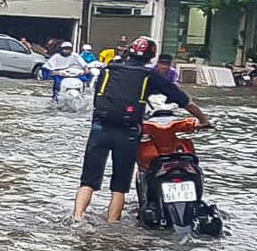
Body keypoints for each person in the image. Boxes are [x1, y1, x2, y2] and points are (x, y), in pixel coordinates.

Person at [72, 36, 212, 223]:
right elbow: (183, 100)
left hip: (100, 128)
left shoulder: (108, 71)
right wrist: (203, 120)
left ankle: (77, 218)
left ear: (129, 52)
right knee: (119, 187)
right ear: (151, 57)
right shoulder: (149, 76)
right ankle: (112, 225)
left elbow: (97, 98)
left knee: (88, 182)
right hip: (128, 133)